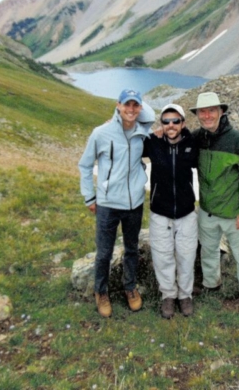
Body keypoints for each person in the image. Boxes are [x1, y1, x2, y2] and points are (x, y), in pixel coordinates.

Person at [78, 89, 155, 318]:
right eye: (126, 105)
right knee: (104, 253)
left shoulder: (143, 133)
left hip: (134, 204)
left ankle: (130, 287)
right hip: (108, 204)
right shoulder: (101, 133)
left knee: (132, 249)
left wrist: (139, 104)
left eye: (135, 105)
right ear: (117, 105)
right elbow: (84, 165)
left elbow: (150, 115)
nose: (131, 109)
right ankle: (101, 292)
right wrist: (89, 196)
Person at [190, 92, 239, 313]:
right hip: (207, 211)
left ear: (221, 112)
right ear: (198, 115)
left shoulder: (237, 140)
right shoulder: (197, 138)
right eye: (203, 111)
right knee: (208, 251)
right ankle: (211, 284)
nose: (207, 115)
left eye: (212, 110)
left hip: (233, 215)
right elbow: (174, 140)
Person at [143, 104, 199, 319]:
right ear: (161, 124)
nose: (171, 125)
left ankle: (185, 296)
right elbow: (130, 138)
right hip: (160, 212)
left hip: (186, 212)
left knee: (186, 256)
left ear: (183, 123)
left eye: (175, 121)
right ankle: (168, 295)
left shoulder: (192, 143)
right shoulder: (153, 143)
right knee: (162, 256)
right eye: (166, 121)